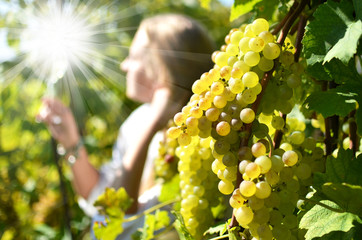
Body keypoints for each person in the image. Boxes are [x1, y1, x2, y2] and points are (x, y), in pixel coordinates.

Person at [37, 13, 215, 238]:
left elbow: (118, 214)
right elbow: (100, 197)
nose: (124, 65)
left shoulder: (200, 137)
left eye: (133, 56)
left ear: (162, 66)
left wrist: (152, 126)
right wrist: (71, 142)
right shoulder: (138, 121)